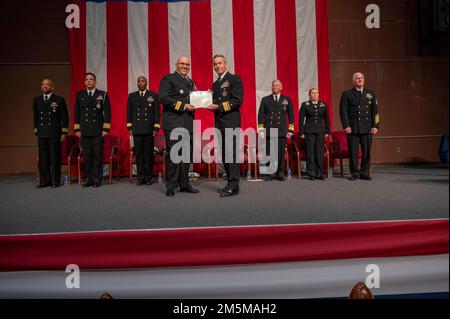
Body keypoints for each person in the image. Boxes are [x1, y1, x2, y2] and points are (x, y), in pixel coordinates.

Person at [159, 56, 199, 197]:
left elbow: (195, 101)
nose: (185, 66)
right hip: (173, 123)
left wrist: (205, 98)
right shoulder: (168, 79)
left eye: (187, 64)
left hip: (188, 123)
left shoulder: (191, 82)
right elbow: (163, 97)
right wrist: (183, 106)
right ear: (176, 65)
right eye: (182, 63)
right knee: (174, 155)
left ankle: (184, 184)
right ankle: (171, 186)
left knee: (186, 156)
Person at [207, 54, 243, 197]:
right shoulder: (215, 84)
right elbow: (213, 102)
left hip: (231, 122)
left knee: (232, 154)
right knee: (224, 154)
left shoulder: (234, 79)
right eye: (215, 64)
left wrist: (218, 106)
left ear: (225, 64)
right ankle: (231, 184)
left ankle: (234, 184)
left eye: (220, 63)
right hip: (220, 123)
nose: (217, 66)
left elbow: (237, 101)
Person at [339, 72, 379, 181]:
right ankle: (355, 173)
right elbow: (343, 112)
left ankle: (364, 172)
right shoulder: (347, 94)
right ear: (353, 81)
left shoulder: (370, 93)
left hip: (367, 127)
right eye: (357, 78)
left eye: (362, 78)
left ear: (364, 80)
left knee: (366, 152)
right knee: (353, 152)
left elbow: (375, 112)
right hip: (353, 128)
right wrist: (346, 125)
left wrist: (375, 125)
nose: (360, 80)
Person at [74, 72, 111, 187]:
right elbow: (77, 113)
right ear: (85, 82)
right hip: (84, 130)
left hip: (97, 130)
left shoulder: (102, 94)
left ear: (95, 81)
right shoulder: (80, 95)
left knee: (97, 156)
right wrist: (77, 129)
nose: (88, 81)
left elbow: (108, 113)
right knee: (87, 156)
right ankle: (89, 179)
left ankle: (97, 179)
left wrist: (105, 129)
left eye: (91, 79)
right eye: (86, 79)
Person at [33, 78, 69, 188]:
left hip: (54, 132)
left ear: (52, 87)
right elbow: (36, 116)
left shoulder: (59, 99)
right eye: (43, 84)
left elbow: (64, 117)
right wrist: (36, 129)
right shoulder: (37, 100)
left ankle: (55, 181)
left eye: (48, 85)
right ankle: (44, 181)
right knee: (43, 158)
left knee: (54, 158)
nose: (45, 86)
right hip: (42, 132)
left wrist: (64, 131)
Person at [257, 79, 294, 181]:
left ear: (281, 88)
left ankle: (280, 173)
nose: (275, 87)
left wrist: (290, 130)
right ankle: (271, 173)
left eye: (277, 85)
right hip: (269, 129)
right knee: (270, 153)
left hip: (281, 130)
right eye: (273, 85)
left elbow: (291, 115)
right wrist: (261, 130)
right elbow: (260, 116)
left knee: (281, 153)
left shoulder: (286, 99)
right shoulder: (265, 99)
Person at [127, 76, 160, 186]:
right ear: (137, 83)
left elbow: (157, 113)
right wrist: (130, 127)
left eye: (143, 81)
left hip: (149, 129)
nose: (141, 83)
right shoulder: (132, 96)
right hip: (136, 129)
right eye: (139, 81)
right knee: (139, 154)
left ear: (146, 83)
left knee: (148, 154)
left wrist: (156, 128)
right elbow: (129, 113)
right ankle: (141, 177)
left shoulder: (153, 95)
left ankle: (148, 177)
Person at [299, 88, 330, 180]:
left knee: (319, 152)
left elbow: (327, 119)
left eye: (316, 93)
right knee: (310, 152)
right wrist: (301, 132)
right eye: (313, 93)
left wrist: (327, 131)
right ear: (310, 95)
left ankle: (319, 173)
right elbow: (301, 120)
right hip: (309, 131)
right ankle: (311, 173)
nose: (315, 94)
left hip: (320, 131)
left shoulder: (323, 105)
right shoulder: (305, 105)